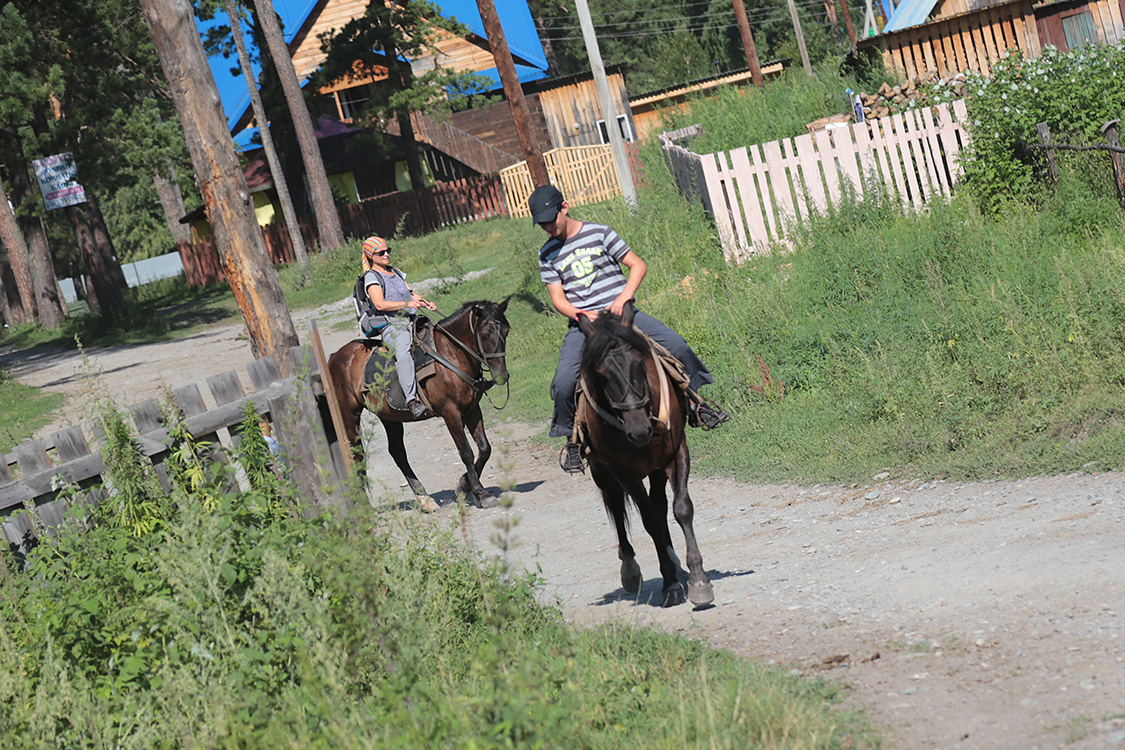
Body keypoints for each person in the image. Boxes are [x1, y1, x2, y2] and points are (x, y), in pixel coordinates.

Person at [529, 184, 728, 473]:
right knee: (562, 382)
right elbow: (558, 298)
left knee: (677, 345)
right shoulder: (546, 253)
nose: (548, 227)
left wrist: (624, 297)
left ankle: (697, 405)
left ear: (565, 207)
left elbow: (637, 265)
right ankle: (573, 439)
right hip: (585, 327)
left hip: (623, 317)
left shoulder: (600, 233)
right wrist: (579, 313)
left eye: (551, 220)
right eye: (542, 224)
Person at [358, 235, 437, 419]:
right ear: (371, 256)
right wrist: (406, 304)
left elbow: (411, 294)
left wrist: (425, 303)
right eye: (381, 253)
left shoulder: (396, 272)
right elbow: (380, 304)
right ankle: (412, 400)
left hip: (412, 320)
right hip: (392, 326)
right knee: (403, 353)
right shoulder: (372, 277)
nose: (386, 254)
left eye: (388, 250)